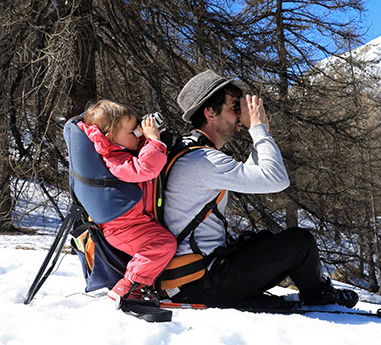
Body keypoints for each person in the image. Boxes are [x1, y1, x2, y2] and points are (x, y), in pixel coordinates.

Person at [162, 70, 358, 308]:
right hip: (199, 284)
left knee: (262, 240)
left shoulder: (193, 153)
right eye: (234, 107)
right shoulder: (204, 160)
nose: (240, 114)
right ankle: (318, 296)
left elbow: (255, 176)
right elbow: (276, 179)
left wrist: (260, 131)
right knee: (300, 242)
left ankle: (312, 290)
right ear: (210, 112)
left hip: (191, 278)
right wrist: (258, 130)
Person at [79, 100, 177, 303]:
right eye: (133, 131)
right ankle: (129, 286)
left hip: (134, 223)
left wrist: (145, 137)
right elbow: (145, 169)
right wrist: (154, 142)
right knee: (163, 245)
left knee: (164, 242)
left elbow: (138, 154)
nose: (137, 134)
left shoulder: (120, 151)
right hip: (122, 228)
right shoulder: (114, 159)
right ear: (111, 138)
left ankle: (142, 284)